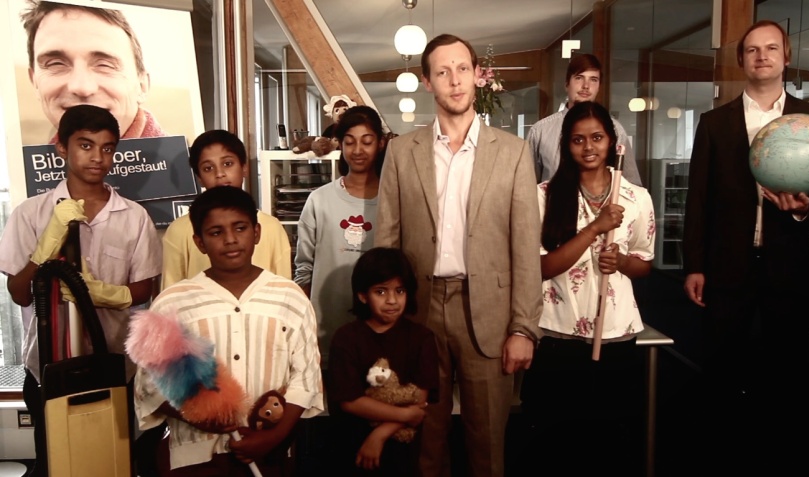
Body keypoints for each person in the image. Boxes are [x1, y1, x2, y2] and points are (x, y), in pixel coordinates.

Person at [375, 33, 542, 477]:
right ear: (427, 81)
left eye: (463, 69)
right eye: (443, 71)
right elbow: (387, 243)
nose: (455, 80)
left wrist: (523, 327)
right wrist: (386, 321)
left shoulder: (513, 152)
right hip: (419, 310)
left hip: (489, 310)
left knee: (487, 443)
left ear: (477, 75)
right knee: (423, 439)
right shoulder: (401, 152)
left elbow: (526, 248)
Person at [682, 19, 809, 467]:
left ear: (786, 56)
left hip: (788, 264)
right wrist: (694, 264)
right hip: (727, 265)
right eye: (752, 49)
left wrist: (805, 207)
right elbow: (699, 199)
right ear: (741, 60)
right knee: (721, 368)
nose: (762, 56)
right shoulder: (714, 123)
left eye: (771, 48)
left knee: (786, 369)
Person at [0, 104, 161, 477]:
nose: (98, 158)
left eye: (107, 148)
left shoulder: (133, 217)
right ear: (62, 147)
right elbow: (20, 293)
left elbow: (144, 289)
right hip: (47, 367)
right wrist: (45, 248)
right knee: (57, 462)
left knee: (111, 461)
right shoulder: (30, 214)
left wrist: (102, 294)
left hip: (113, 366)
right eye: (86, 145)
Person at [133, 186, 323, 476]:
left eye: (240, 228)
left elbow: (306, 378)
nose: (231, 239)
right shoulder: (173, 302)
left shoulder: (289, 297)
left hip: (270, 452)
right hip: (194, 458)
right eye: (216, 232)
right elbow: (150, 382)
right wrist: (197, 414)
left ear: (256, 233)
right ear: (199, 242)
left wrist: (273, 436)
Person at [519, 101, 655, 475]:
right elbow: (541, 268)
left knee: (610, 442)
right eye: (578, 139)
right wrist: (594, 229)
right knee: (556, 442)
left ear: (612, 141)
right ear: (567, 145)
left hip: (616, 335)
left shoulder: (636, 197)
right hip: (557, 333)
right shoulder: (544, 195)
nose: (589, 147)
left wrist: (621, 262)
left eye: (597, 137)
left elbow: (644, 263)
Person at [327, 247, 439, 476]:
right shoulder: (346, 338)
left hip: (403, 452)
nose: (392, 300)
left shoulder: (422, 338)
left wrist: (379, 435)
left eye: (400, 291)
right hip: (353, 445)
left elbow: (419, 402)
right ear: (362, 295)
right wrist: (404, 415)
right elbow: (349, 401)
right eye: (380, 291)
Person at [294, 105, 385, 363]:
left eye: (367, 141)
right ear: (340, 145)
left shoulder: (393, 199)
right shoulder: (319, 200)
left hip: (380, 328)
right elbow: (304, 267)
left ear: (380, 144)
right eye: (350, 142)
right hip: (327, 326)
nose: (358, 150)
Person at [161, 129, 292, 289]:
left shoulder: (272, 227)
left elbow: (284, 290)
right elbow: (171, 292)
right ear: (199, 178)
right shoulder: (179, 230)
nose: (220, 174)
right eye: (208, 168)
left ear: (244, 167)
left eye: (228, 164)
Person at [21, 0, 165, 141]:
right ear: (35, 82)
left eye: (104, 65)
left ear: (142, 86)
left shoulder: (176, 157)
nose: (81, 87)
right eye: (55, 64)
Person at [526, 53, 641, 185]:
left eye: (593, 79)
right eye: (579, 78)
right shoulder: (540, 131)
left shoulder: (615, 130)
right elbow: (527, 185)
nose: (586, 86)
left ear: (599, 86)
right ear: (567, 84)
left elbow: (632, 185)